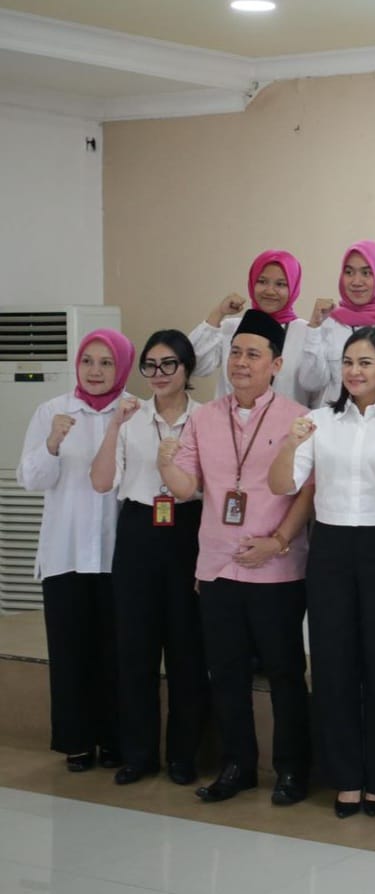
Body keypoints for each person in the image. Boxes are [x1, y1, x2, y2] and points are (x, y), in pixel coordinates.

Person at [157, 310, 314, 806]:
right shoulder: (204, 417)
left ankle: (292, 770)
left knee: (285, 672)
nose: (241, 363)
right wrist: (166, 464)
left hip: (277, 567)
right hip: (219, 567)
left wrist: (279, 540)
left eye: (253, 354)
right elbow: (187, 486)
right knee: (225, 672)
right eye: (236, 353)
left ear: (276, 364)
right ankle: (237, 766)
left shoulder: (298, 418)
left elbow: (309, 492)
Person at [269, 326, 375, 819]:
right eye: (348, 361)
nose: (354, 371)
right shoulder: (318, 421)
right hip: (330, 546)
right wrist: (289, 445)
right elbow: (282, 483)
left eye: (366, 362)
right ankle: (345, 776)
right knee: (333, 664)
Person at [89, 330, 209, 786]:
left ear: (187, 368)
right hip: (139, 529)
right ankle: (138, 753)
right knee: (135, 649)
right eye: (150, 365)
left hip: (188, 528)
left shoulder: (204, 418)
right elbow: (102, 482)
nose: (158, 374)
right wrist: (114, 427)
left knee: (186, 649)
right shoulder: (131, 417)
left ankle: (183, 755)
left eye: (168, 364)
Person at [18, 328, 135, 773]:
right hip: (64, 553)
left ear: (122, 367)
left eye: (107, 362)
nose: (95, 371)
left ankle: (115, 739)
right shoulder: (52, 410)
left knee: (116, 652)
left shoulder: (135, 411)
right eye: (88, 361)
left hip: (117, 554)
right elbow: (30, 479)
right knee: (70, 652)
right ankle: (77, 741)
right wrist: (51, 443)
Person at [189, 249, 316, 405]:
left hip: (288, 420)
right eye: (262, 281)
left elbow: (315, 387)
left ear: (294, 287)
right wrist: (218, 313)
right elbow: (194, 365)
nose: (270, 291)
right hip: (229, 419)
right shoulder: (232, 328)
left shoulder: (306, 333)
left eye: (280, 284)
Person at [299, 240, 375, 407]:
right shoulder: (331, 322)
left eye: (366, 273)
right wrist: (314, 327)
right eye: (349, 272)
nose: (356, 282)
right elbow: (311, 382)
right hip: (335, 418)